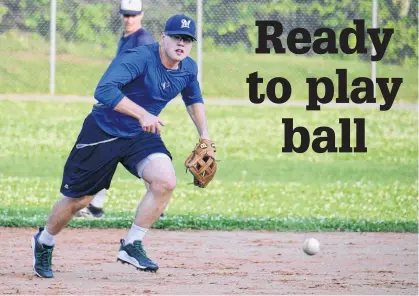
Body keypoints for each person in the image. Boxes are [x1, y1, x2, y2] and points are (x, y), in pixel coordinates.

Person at [31, 13, 213, 278]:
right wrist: (142, 114)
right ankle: (44, 241)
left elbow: (193, 98)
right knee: (80, 200)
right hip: (104, 130)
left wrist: (205, 136)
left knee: (165, 181)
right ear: (163, 38)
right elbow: (104, 90)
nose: (181, 43)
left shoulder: (188, 68)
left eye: (187, 39)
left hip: (140, 134)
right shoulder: (140, 58)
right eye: (176, 37)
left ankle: (131, 244)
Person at [75, 0, 158, 219]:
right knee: (111, 154)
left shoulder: (143, 40)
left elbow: (150, 75)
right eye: (125, 15)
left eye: (132, 15)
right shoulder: (127, 38)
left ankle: (157, 204)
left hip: (134, 110)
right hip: (121, 108)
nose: (128, 19)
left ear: (141, 14)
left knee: (144, 157)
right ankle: (96, 206)